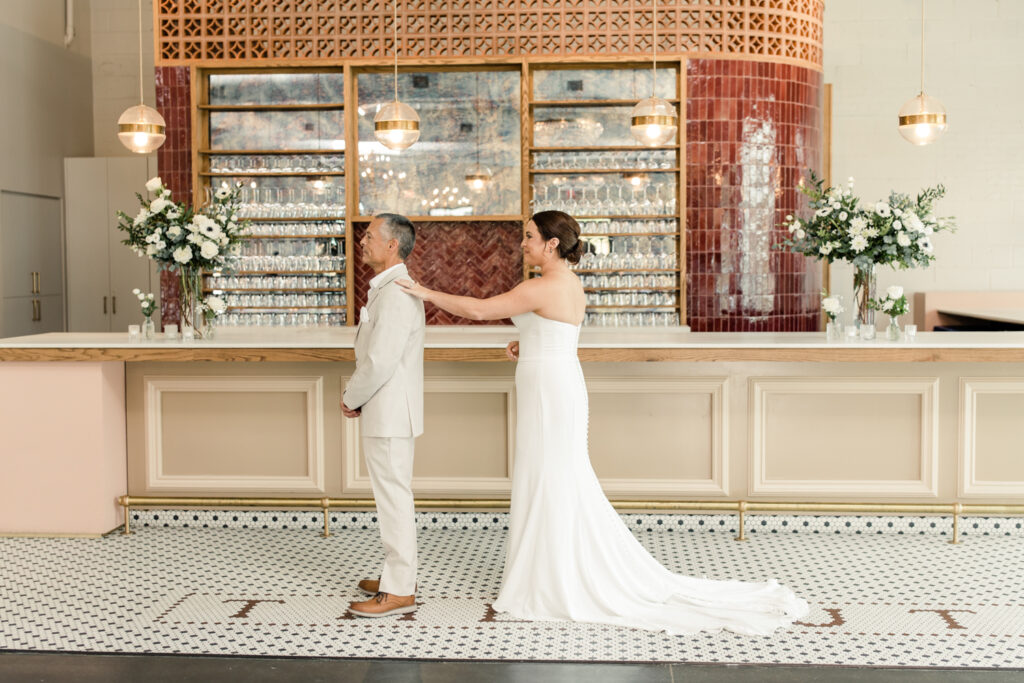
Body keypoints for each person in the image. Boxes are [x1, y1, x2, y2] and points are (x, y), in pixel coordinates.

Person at [397, 210, 809, 635]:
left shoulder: (539, 285)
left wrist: (423, 291)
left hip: (548, 391)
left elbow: (480, 311)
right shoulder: (569, 283)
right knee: (556, 474)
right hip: (558, 381)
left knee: (548, 475)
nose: (523, 243)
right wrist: (529, 342)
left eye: (529, 237)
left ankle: (551, 578)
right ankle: (554, 568)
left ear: (551, 244)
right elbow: (556, 331)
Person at [342, 213, 425, 618]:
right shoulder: (388, 289)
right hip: (387, 410)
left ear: (392, 245)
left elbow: (379, 361)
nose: (363, 241)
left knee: (393, 499)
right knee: (392, 496)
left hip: (389, 413)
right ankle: (398, 575)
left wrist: (350, 396)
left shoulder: (395, 293)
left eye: (370, 236)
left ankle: (399, 590)